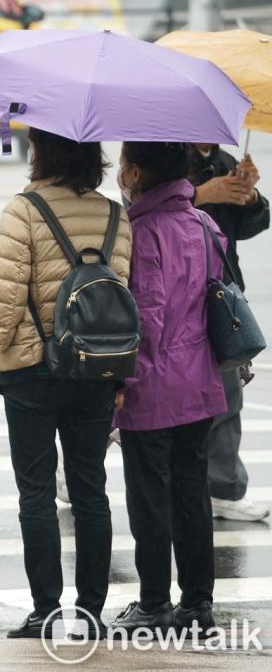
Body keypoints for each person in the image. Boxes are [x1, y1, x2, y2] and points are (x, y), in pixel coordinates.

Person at [0, 127, 132, 640]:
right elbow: (124, 295)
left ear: (42, 151)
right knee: (91, 490)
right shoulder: (116, 214)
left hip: (32, 370)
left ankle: (45, 609)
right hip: (96, 370)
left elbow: (5, 297)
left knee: (37, 494)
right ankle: (91, 611)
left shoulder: (23, 209)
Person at [110, 142, 227, 635]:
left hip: (155, 388)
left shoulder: (142, 232)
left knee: (150, 498)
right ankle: (197, 602)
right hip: (199, 383)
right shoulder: (205, 225)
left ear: (136, 171)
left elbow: (149, 319)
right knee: (192, 494)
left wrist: (123, 384)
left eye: (122, 165)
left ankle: (155, 600)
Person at [188, 144, 270, 522]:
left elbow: (247, 225)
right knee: (144, 391)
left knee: (227, 390)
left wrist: (249, 194)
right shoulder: (160, 150)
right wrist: (201, 194)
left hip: (219, 289)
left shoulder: (223, 163)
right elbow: (138, 207)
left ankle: (223, 486)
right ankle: (75, 471)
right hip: (172, 289)